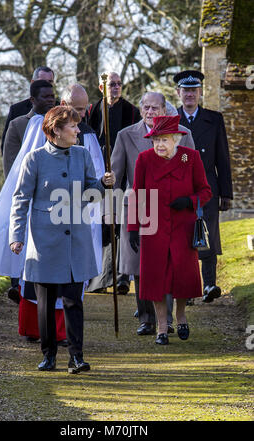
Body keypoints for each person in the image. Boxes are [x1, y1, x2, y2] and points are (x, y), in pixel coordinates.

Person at [9, 106, 115, 372]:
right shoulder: (34, 159)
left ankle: (76, 357)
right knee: (45, 304)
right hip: (45, 243)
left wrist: (103, 184)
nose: (78, 130)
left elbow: (91, 193)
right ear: (56, 129)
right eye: (73, 126)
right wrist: (16, 236)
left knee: (73, 301)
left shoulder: (82, 155)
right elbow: (20, 199)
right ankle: (49, 355)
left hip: (76, 241)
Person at [111, 91, 195, 336]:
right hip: (137, 207)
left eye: (154, 108)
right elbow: (116, 175)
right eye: (145, 107)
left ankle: (167, 319)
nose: (150, 112)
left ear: (165, 110)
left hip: (172, 210)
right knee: (140, 266)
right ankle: (146, 318)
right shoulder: (125, 136)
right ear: (140, 110)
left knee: (168, 262)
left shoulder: (183, 135)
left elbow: (191, 169)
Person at [128, 115, 212, 345]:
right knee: (156, 278)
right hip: (153, 226)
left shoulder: (190, 157)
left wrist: (189, 201)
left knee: (182, 276)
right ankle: (162, 328)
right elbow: (137, 194)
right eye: (156, 140)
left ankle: (181, 315)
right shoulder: (144, 159)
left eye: (164, 140)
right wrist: (133, 227)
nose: (160, 145)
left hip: (182, 227)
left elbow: (205, 191)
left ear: (176, 139)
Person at [174, 70, 233, 303]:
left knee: (207, 233)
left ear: (200, 92)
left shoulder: (214, 119)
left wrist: (226, 193)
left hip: (208, 185)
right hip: (180, 187)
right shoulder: (170, 119)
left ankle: (209, 284)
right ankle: (185, 289)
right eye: (185, 90)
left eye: (193, 90)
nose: (189, 94)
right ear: (178, 92)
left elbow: (223, 158)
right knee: (182, 237)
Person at [2, 79, 56, 301]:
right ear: (33, 100)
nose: (51, 100)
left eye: (52, 96)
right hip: (28, 195)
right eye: (46, 97)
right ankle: (19, 284)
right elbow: (11, 166)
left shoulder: (60, 122)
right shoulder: (17, 125)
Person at [87, 72, 141, 295]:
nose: (116, 87)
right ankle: (100, 278)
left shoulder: (132, 112)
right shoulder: (92, 111)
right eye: (112, 84)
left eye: (119, 84)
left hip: (124, 175)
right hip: (99, 173)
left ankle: (121, 277)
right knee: (103, 225)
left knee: (120, 225)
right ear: (102, 87)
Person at [0, 66, 55, 154]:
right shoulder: (17, 110)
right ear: (32, 82)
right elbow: (8, 148)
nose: (46, 84)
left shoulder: (60, 110)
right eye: (42, 81)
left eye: (50, 81)